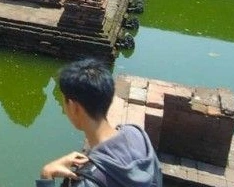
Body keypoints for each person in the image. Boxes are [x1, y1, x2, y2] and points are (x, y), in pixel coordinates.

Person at [36, 59, 162, 187]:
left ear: (75, 107)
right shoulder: (137, 134)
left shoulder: (87, 183)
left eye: (64, 102)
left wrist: (46, 174)